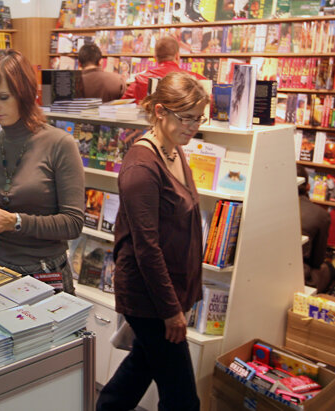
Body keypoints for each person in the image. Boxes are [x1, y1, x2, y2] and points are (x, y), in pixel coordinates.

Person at [97, 71, 209, 411]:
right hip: (152, 300)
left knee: (138, 370)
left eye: (198, 118)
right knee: (182, 399)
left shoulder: (174, 150)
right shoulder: (142, 168)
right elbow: (147, 248)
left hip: (169, 293)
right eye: (186, 118)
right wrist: (171, 310)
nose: (193, 126)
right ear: (160, 111)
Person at [0, 49, 85, 295]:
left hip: (45, 271)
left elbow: (73, 223)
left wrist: (15, 222)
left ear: (24, 93)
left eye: (3, 97)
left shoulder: (60, 145)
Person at [122, 36, 206, 104]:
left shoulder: (140, 79)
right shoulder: (198, 80)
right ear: (177, 56)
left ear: (155, 58)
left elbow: (123, 104)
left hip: (149, 124)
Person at [298, 164, 335, 293]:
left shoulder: (268, 208)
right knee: (329, 268)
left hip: (266, 270)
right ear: (308, 187)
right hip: (299, 276)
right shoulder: (321, 215)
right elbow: (317, 261)